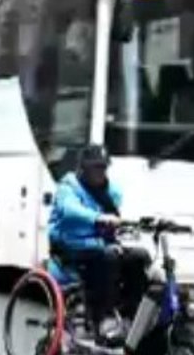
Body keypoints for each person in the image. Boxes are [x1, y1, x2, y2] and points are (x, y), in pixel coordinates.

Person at [47, 145, 150, 344]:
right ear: (83, 169)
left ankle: (131, 315)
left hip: (98, 245)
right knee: (108, 257)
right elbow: (70, 210)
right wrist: (98, 218)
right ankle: (104, 318)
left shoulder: (111, 192)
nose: (100, 172)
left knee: (139, 257)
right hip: (70, 248)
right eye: (95, 168)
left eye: (103, 168)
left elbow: (119, 218)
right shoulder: (68, 188)